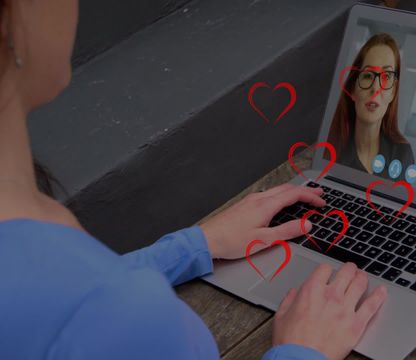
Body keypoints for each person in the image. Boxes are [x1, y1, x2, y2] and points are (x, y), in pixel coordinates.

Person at [0, 1, 387, 359]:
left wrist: (193, 246)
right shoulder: (126, 321)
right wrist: (303, 350)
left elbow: (60, 299)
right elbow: (89, 312)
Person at [327, 33, 414, 179]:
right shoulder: (329, 152)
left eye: (386, 77)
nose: (375, 88)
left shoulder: (403, 154)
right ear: (353, 90)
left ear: (393, 92)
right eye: (367, 76)